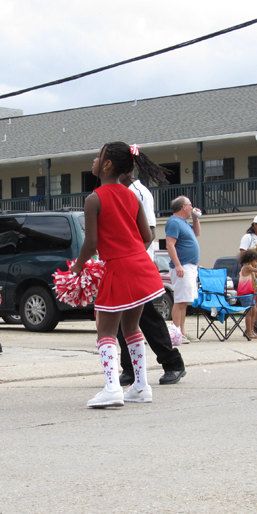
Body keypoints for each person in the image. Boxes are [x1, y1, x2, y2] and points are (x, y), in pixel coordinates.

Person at [72, 142, 165, 408]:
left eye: (97, 156)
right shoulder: (132, 196)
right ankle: (141, 385)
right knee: (131, 327)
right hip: (141, 268)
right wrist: (131, 252)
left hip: (117, 269)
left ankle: (113, 388)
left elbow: (90, 245)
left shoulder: (94, 198)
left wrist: (77, 267)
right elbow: (147, 236)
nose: (94, 160)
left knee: (105, 330)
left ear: (107, 164)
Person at [117, 166, 185, 386]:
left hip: (137, 264)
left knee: (147, 317)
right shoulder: (116, 191)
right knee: (120, 318)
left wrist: (133, 257)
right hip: (120, 264)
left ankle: (172, 363)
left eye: (101, 158)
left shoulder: (140, 192)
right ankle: (129, 369)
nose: (95, 162)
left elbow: (149, 232)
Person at [165, 196, 201, 344]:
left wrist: (195, 218)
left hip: (190, 266)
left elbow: (196, 233)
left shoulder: (184, 223)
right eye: (190, 205)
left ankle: (182, 332)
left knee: (185, 301)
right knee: (180, 300)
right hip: (183, 266)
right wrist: (178, 265)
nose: (192, 207)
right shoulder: (174, 222)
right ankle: (175, 333)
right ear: (183, 207)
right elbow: (170, 245)